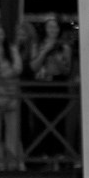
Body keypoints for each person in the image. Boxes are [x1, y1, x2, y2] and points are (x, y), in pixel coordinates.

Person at [31, 13, 74, 166]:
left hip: (58, 84)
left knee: (58, 120)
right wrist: (45, 51)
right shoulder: (38, 44)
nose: (52, 29)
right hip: (42, 83)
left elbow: (67, 70)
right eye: (49, 26)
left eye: (55, 26)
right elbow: (33, 66)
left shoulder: (64, 46)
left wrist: (56, 56)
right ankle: (41, 154)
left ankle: (58, 154)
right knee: (41, 119)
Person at [0, 20, 24, 171]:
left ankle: (12, 162)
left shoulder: (11, 49)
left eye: (1, 33)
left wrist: (2, 73)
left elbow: (18, 67)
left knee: (12, 130)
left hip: (11, 93)